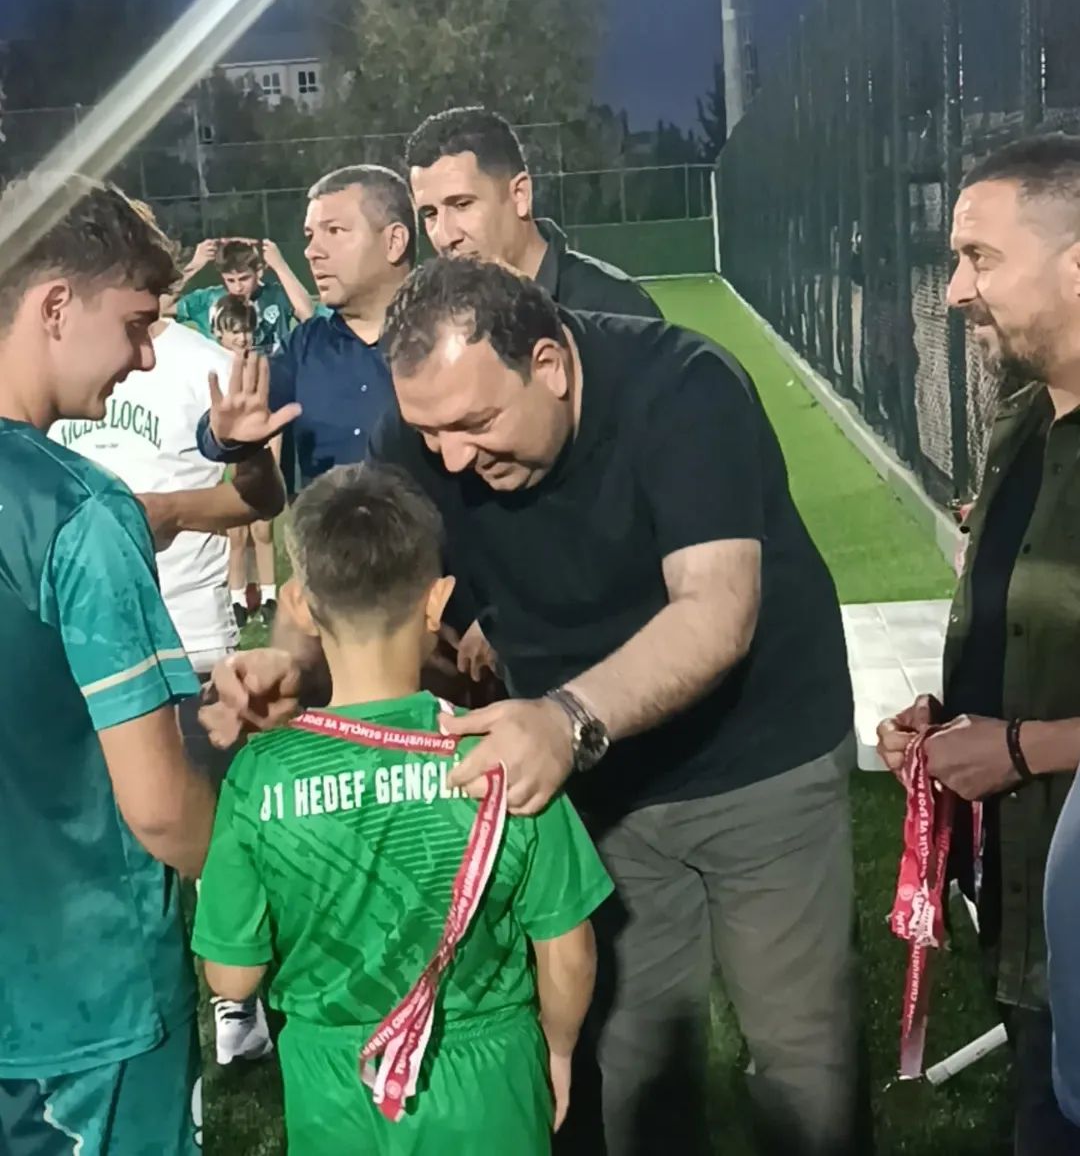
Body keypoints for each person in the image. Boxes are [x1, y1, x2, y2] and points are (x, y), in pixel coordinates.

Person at [204, 258, 864, 1156]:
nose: (451, 459)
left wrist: (564, 720)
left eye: (475, 424)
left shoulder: (684, 386)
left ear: (548, 365)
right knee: (637, 1061)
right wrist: (292, 662)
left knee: (800, 1056)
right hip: (600, 786)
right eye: (429, 432)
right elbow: (356, 566)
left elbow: (716, 611)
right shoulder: (425, 434)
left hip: (760, 759)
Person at [192, 463, 613, 1155]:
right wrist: (559, 1050)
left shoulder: (261, 774)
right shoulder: (507, 752)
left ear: (300, 605)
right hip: (490, 1072)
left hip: (334, 1084)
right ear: (436, 601)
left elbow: (232, 975)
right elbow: (567, 948)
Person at [0, 177, 215, 1154]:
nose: (144, 356)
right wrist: (280, 899)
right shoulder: (80, 512)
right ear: (55, 305)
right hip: (89, 1006)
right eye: (134, 323)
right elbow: (160, 806)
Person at [878, 133, 1080, 1155]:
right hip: (1025, 909)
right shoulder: (1021, 423)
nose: (955, 291)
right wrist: (952, 721)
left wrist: (1017, 748)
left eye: (980, 258)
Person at [50, 291, 286, 1069]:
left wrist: (170, 510)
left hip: (186, 629)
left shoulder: (199, 365)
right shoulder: (57, 366)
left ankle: (235, 998)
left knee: (198, 819)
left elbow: (260, 499)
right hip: (82, 634)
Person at [197, 165, 413, 490]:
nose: (311, 252)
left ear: (394, 241)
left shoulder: (449, 337)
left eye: (334, 231)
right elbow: (217, 432)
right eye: (311, 236)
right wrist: (223, 434)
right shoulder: (303, 347)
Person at [405, 106, 661, 317]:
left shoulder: (616, 310)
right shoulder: (440, 320)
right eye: (430, 214)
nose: (444, 236)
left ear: (520, 194)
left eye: (462, 204)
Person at [211, 295, 281, 624]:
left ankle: (269, 596)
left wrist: (274, 458)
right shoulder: (210, 366)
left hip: (255, 456)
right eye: (234, 331)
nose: (241, 338)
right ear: (218, 332)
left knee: (262, 530)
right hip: (225, 459)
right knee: (235, 535)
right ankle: (237, 599)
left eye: (246, 330)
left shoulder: (258, 367)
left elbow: (271, 417)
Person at [166, 235, 313, 353]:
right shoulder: (207, 299)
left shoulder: (277, 295)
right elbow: (162, 307)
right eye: (230, 280)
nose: (238, 287)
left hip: (273, 374)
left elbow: (308, 315)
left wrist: (280, 266)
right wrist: (194, 266)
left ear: (259, 272)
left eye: (244, 278)